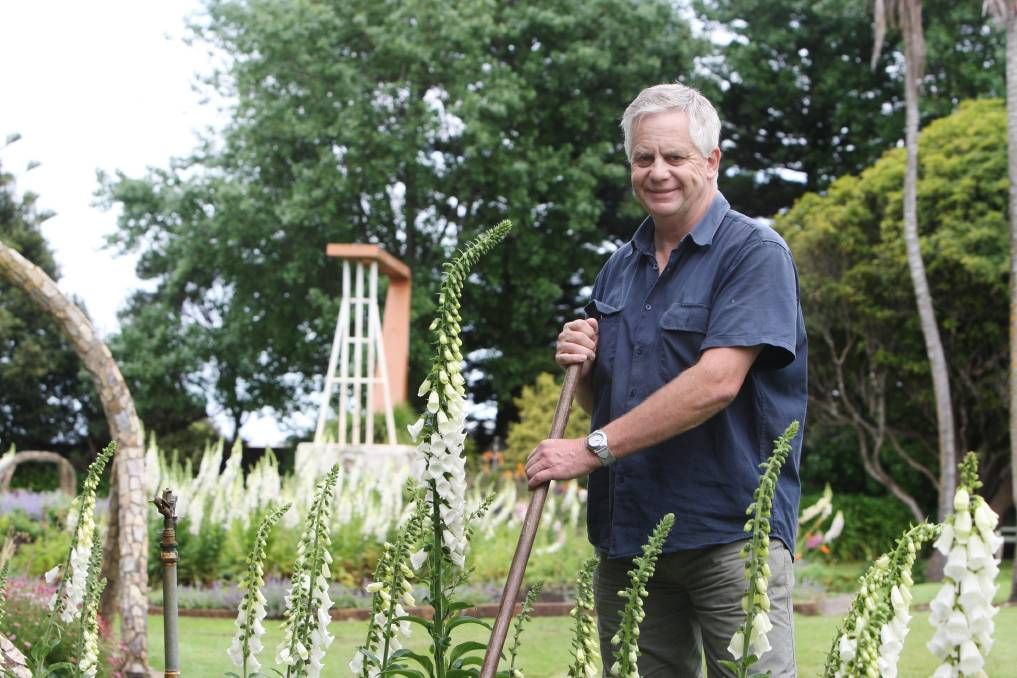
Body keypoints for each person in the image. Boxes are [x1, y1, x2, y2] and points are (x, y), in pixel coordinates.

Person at [524, 83, 807, 676]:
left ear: (712, 161)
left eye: (674, 157)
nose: (658, 172)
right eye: (643, 158)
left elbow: (716, 383)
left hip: (729, 535)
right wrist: (582, 371)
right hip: (629, 539)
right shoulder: (618, 269)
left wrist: (592, 449)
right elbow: (611, 403)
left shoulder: (753, 253)